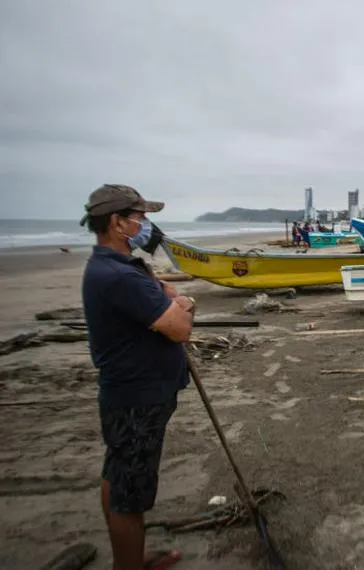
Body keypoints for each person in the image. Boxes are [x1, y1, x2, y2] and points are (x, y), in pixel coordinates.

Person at [80, 184, 195, 570]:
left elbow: (159, 293)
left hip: (133, 392)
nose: (145, 224)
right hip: (136, 397)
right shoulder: (117, 275)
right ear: (117, 223)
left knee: (119, 477)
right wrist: (183, 303)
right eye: (140, 218)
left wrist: (166, 297)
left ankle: (129, 558)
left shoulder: (120, 267)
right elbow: (178, 327)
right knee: (130, 490)